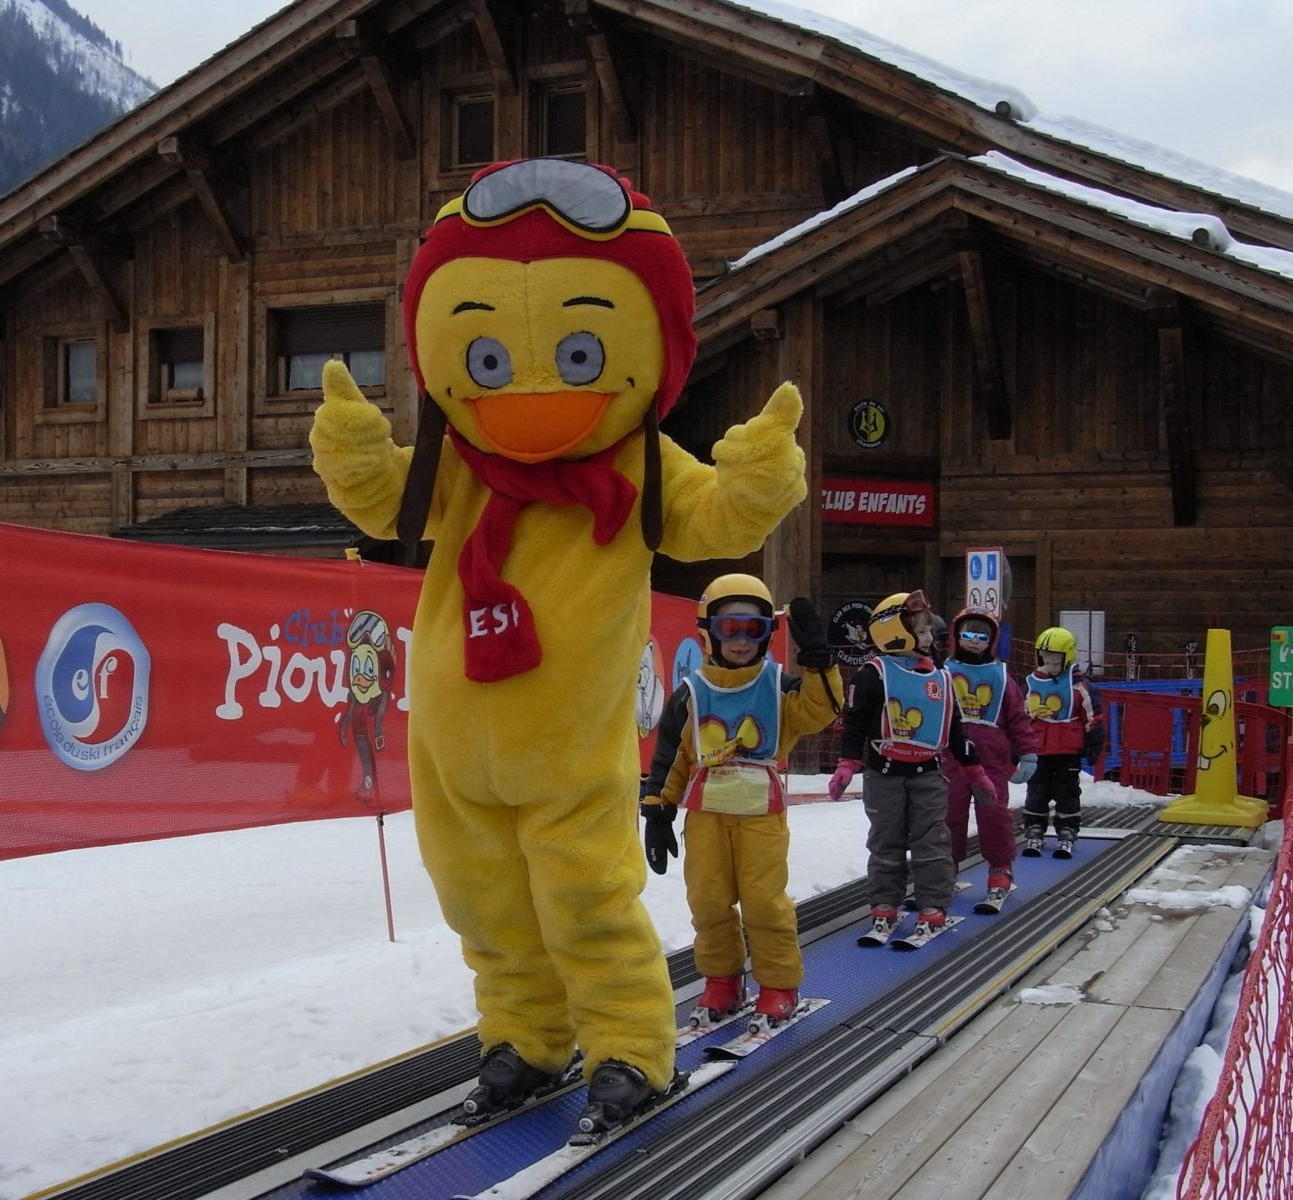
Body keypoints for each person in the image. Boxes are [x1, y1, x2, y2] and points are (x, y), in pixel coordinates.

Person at [309, 158, 808, 1133]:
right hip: (452, 741)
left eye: (579, 355)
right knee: (481, 902)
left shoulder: (636, 462)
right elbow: (385, 505)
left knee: (585, 894)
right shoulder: (458, 460)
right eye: (488, 361)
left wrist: (757, 477)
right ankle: (525, 1039)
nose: (530, 391)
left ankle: (627, 1045)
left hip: (566, 745)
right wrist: (356, 456)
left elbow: (714, 519)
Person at [641, 575, 841, 1029]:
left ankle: (778, 984)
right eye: (730, 628)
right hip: (707, 816)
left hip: (759, 818)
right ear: (708, 631)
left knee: (763, 903)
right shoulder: (691, 693)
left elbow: (821, 708)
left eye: (752, 630)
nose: (740, 641)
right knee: (708, 902)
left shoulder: (778, 687)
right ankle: (722, 980)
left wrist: (818, 663)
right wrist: (658, 809)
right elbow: (672, 756)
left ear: (768, 634)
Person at [828, 590, 978, 946]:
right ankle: (884, 904)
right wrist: (848, 763)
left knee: (932, 843)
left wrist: (975, 769)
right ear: (894, 632)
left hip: (927, 772)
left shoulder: (939, 676)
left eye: (929, 632)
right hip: (883, 773)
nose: (929, 639)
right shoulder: (873, 674)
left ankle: (933, 904)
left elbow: (954, 726)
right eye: (921, 632)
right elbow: (857, 721)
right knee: (885, 842)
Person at [941, 607, 1037, 910]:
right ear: (957, 636)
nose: (974, 641)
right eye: (967, 633)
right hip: (950, 755)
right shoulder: (941, 672)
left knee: (993, 814)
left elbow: (1018, 717)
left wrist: (1027, 751)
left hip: (991, 757)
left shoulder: (1001, 676)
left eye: (981, 635)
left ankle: (1000, 869)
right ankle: (945, 870)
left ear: (992, 640)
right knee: (947, 813)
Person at [1022, 626, 1105, 858]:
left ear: (1066, 656)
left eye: (1055, 656)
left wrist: (1093, 744)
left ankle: (1067, 829)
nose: (1049, 661)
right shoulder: (1031, 684)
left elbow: (1094, 717)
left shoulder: (1080, 686)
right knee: (1037, 789)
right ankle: (1034, 827)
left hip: (1068, 748)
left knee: (1067, 791)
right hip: (1040, 747)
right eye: (1045, 655)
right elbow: (1019, 715)